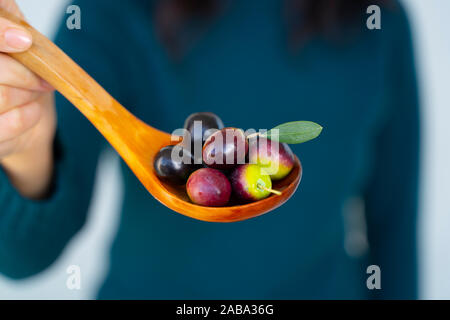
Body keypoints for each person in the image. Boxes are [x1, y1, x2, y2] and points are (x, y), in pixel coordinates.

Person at [0, 0, 420, 299]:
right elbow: (22, 257)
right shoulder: (111, 11)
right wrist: (25, 140)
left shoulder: (379, 24)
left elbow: (395, 223)